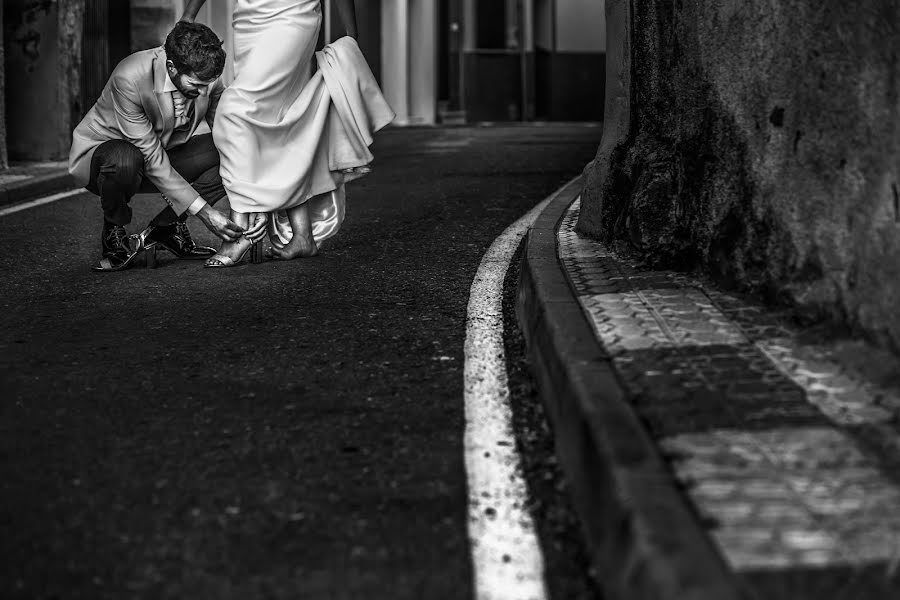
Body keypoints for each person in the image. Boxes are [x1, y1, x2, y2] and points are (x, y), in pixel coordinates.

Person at [179, 0, 394, 267]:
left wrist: (352, 35)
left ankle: (239, 229)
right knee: (283, 118)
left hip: (293, 16)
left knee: (233, 111)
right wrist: (189, 14)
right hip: (248, 20)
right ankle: (303, 236)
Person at [68, 21, 265, 271]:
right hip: (107, 161)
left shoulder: (206, 76)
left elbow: (228, 136)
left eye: (208, 85)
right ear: (171, 67)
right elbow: (151, 157)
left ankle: (166, 228)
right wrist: (206, 214)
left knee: (228, 151)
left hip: (164, 154)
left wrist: (259, 201)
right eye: (197, 86)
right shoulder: (129, 76)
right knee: (124, 158)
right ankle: (113, 230)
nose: (205, 91)